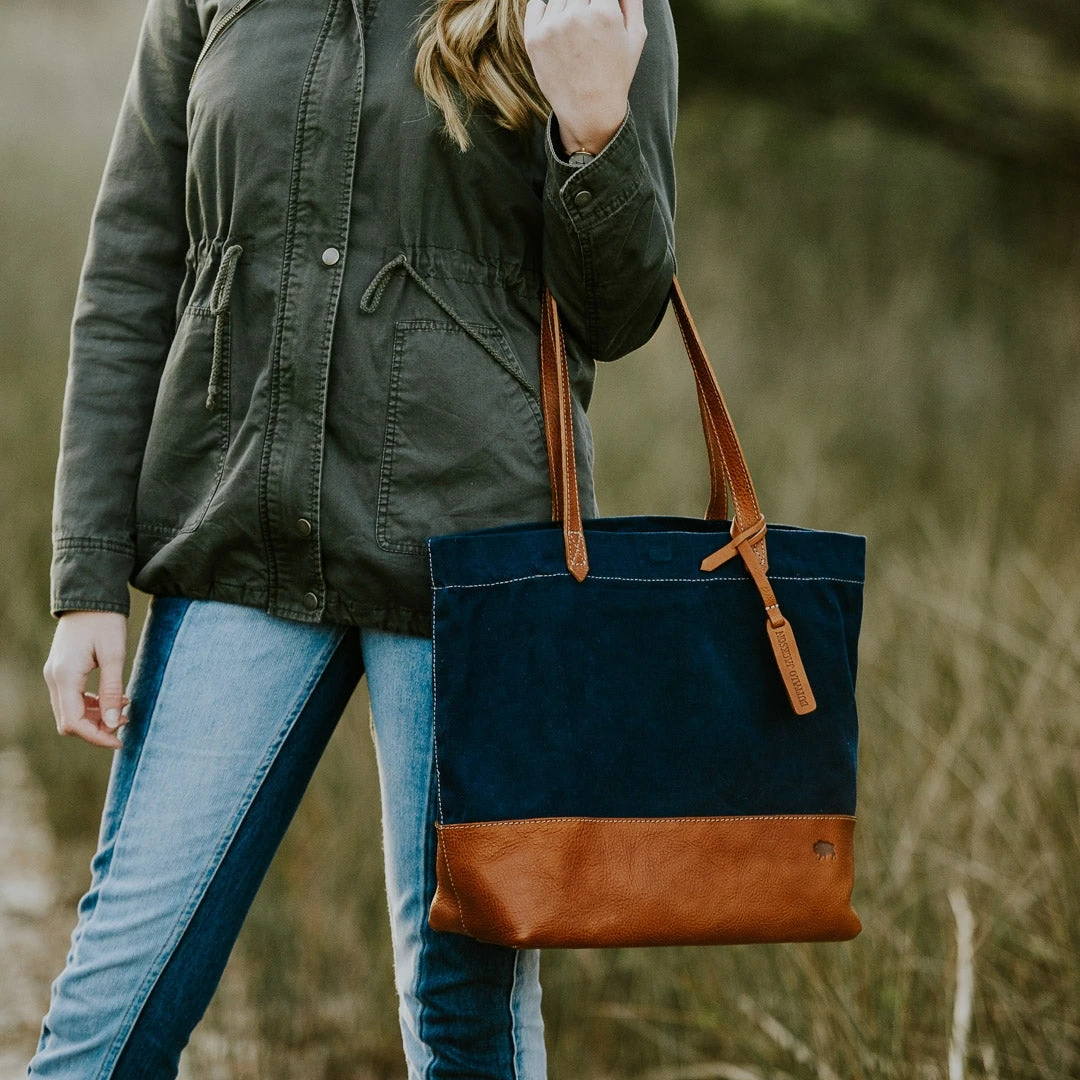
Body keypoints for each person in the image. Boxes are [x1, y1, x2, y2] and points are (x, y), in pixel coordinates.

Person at [32, 0, 677, 1073]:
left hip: (474, 572)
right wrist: (87, 576)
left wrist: (594, 131)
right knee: (107, 1013)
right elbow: (133, 267)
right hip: (240, 535)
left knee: (466, 1023)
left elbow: (619, 314)